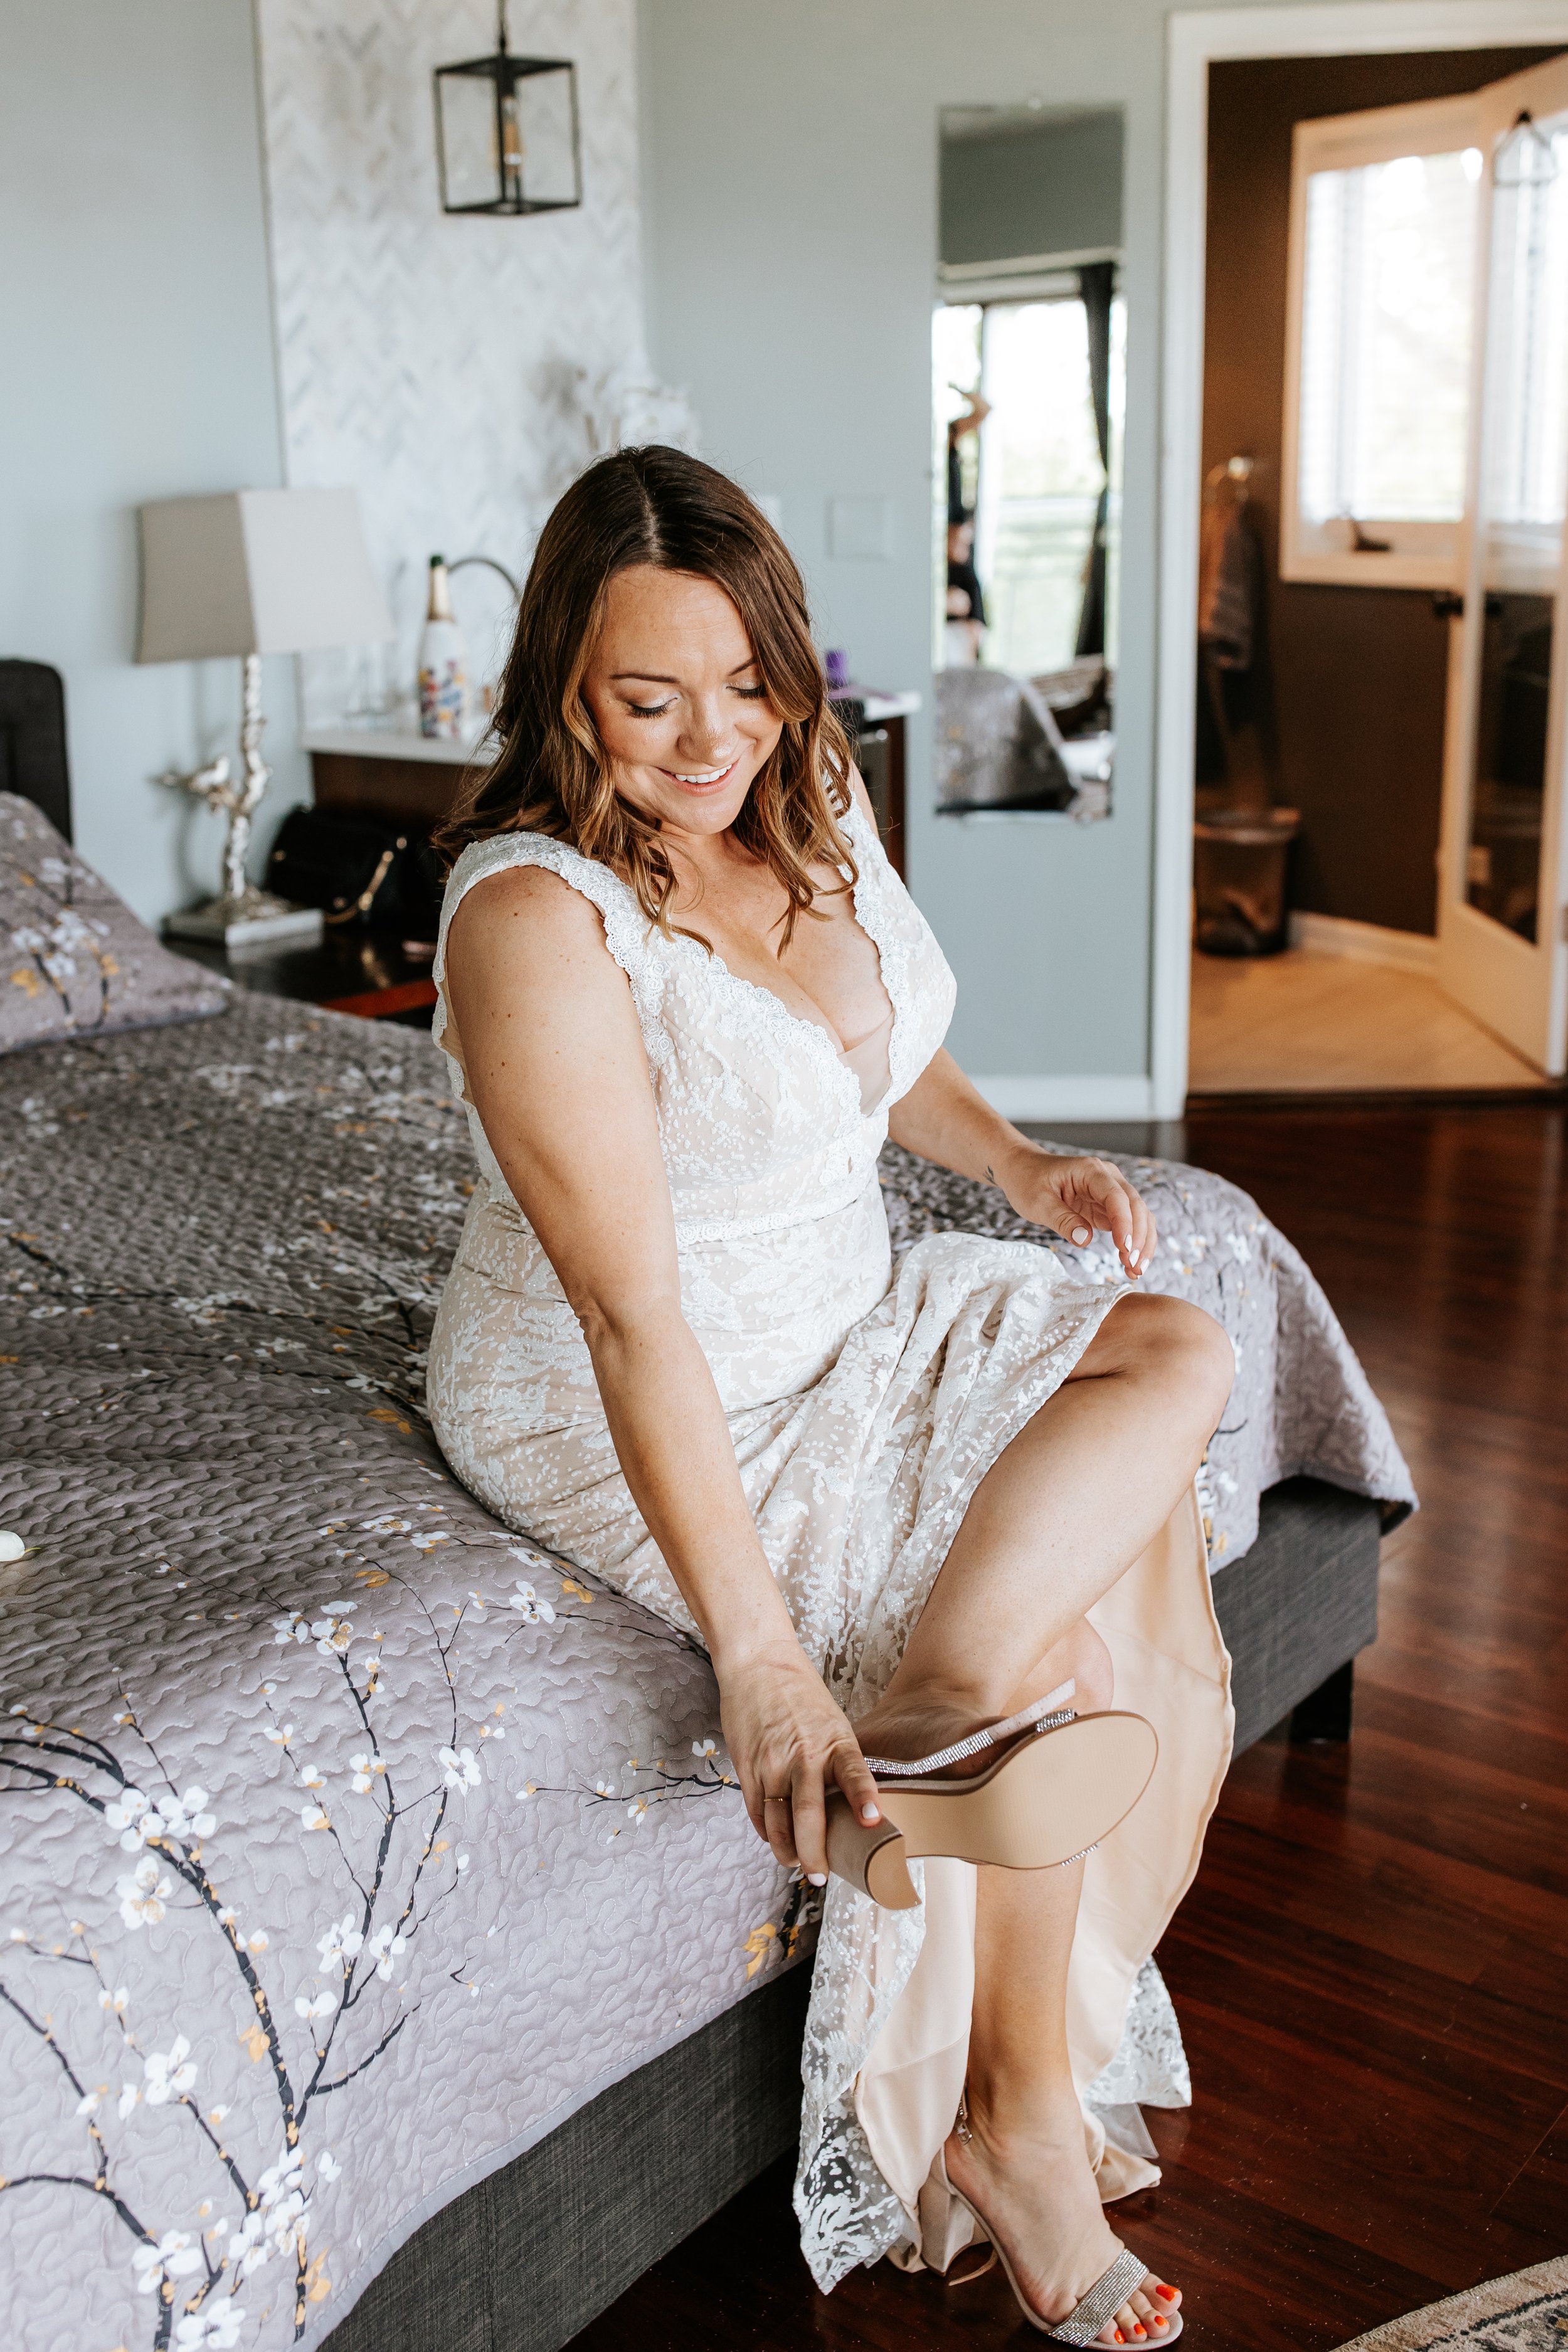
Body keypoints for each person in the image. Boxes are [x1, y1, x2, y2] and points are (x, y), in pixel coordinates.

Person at [427, 445, 1234, 2344]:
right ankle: (1012, 2133)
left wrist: (1022, 1162)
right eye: (645, 699)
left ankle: (943, 1705)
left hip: (839, 1298)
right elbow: (631, 1319)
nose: (708, 737)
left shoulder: (805, 790)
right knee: (1065, 1669)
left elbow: (868, 1054)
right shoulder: (535, 922)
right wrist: (764, 1659)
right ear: (563, 685)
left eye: (745, 681)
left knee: (1170, 1342)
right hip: (625, 1383)